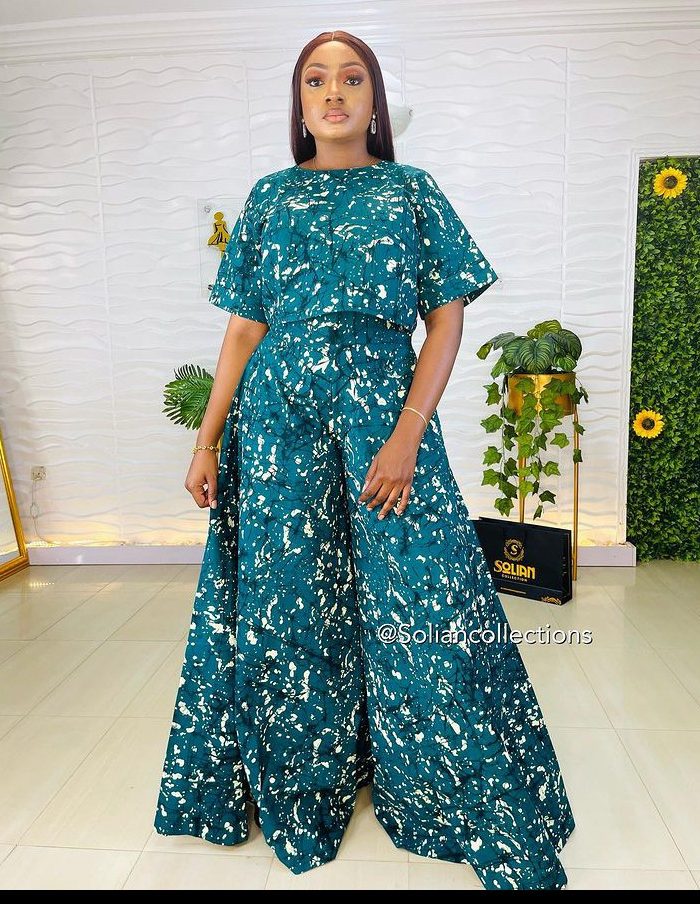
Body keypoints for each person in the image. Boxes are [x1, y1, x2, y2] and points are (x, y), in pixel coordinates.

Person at [153, 29, 575, 891]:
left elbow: (446, 318)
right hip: (278, 424)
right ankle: (309, 782)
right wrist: (207, 438)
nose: (334, 92)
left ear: (374, 98)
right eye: (316, 80)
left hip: (386, 417)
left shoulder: (411, 190)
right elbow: (244, 328)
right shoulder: (269, 197)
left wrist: (408, 432)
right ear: (299, 102)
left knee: (421, 596)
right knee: (294, 603)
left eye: (352, 78)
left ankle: (438, 786)